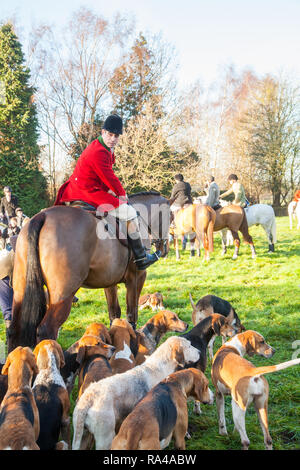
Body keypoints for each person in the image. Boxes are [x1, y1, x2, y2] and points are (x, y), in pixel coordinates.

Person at [55, 114, 160, 271]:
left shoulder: (104, 148)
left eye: (116, 136)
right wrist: (121, 194)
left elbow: (102, 175)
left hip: (85, 187)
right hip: (86, 191)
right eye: (110, 134)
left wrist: (111, 191)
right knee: (130, 212)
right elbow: (109, 176)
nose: (113, 138)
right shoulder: (99, 151)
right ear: (103, 132)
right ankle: (141, 257)